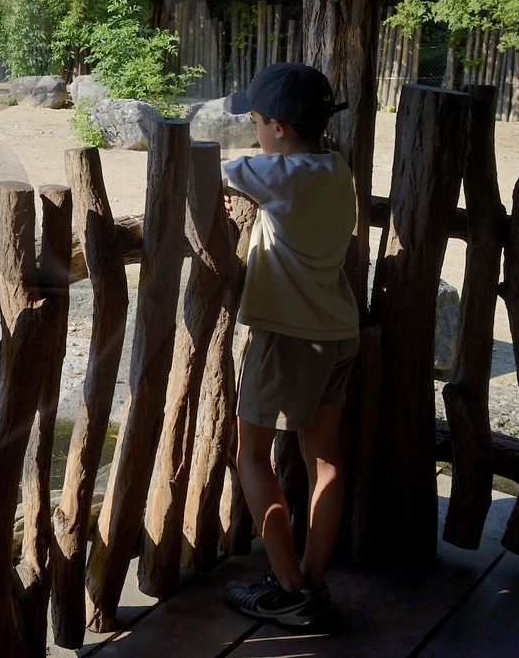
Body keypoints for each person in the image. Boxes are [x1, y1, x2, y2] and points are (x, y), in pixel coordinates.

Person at [220, 62, 357, 630]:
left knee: (252, 456)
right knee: (325, 461)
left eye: (255, 121)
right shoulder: (334, 167)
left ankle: (288, 587)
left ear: (277, 126)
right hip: (338, 332)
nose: (253, 131)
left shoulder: (282, 174)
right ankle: (314, 579)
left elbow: (216, 169)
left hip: (290, 338)